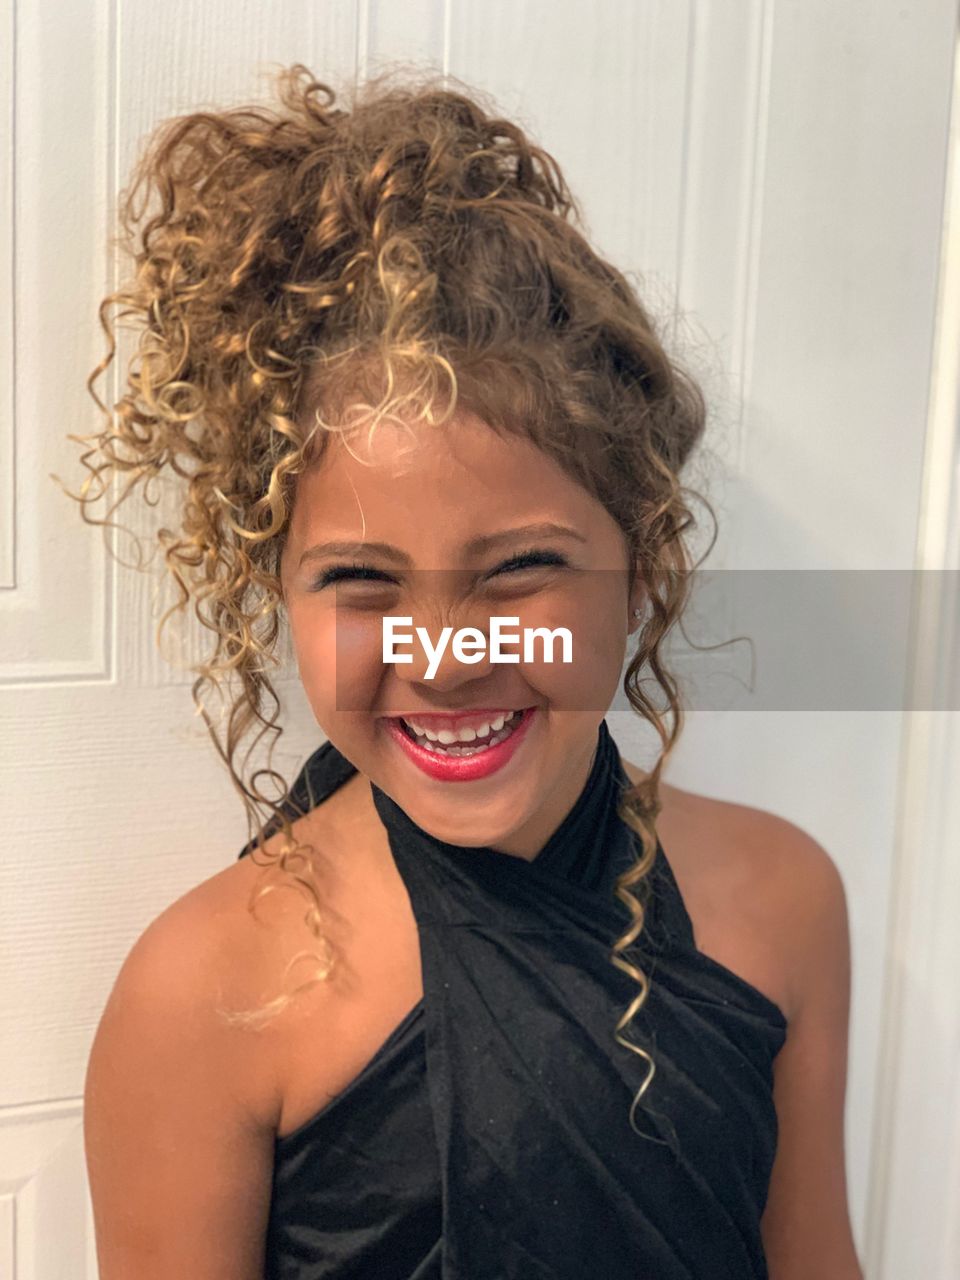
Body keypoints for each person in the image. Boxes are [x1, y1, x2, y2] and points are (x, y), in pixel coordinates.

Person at [69, 63, 863, 1279]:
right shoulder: (206, 994)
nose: (444, 657)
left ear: (640, 562)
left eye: (519, 568)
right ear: (276, 592)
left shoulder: (784, 899)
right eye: (361, 580)